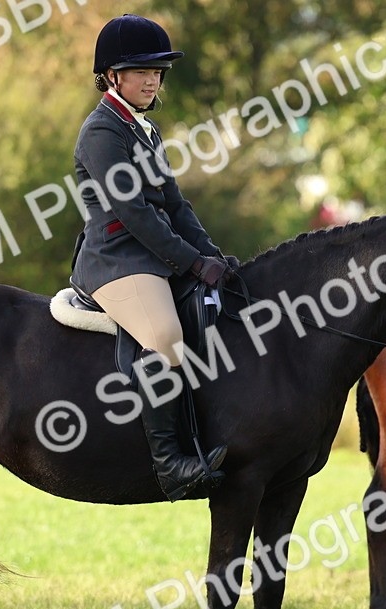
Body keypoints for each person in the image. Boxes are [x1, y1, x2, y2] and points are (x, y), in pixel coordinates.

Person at [70, 14, 233, 502]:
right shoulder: (102, 132)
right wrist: (189, 262)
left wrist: (212, 254)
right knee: (164, 336)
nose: (151, 79)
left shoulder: (145, 130)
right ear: (111, 76)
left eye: (158, 71)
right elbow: (136, 214)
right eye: (140, 71)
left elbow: (175, 205)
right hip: (117, 259)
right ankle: (171, 466)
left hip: (151, 256)